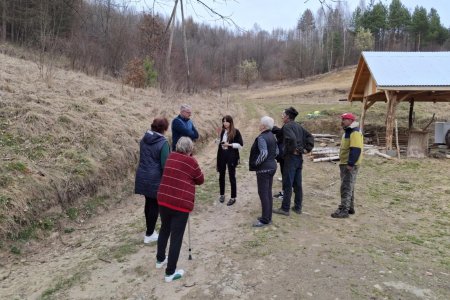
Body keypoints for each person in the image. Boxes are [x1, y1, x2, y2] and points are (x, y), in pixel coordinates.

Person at [156, 137, 204, 282]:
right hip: (180, 204)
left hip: (164, 199)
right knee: (176, 237)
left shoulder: (171, 156)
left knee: (165, 229)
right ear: (190, 148)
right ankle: (170, 273)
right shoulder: (192, 161)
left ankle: (160, 260)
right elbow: (200, 179)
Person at [134, 117, 170, 244]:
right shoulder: (163, 143)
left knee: (148, 203)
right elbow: (165, 164)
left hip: (143, 174)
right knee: (155, 204)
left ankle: (149, 231)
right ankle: (149, 234)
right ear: (164, 128)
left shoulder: (144, 139)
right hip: (155, 177)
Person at [273, 107, 314, 216]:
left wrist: (297, 149)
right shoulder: (298, 126)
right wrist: (306, 149)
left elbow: (291, 139)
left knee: (287, 184)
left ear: (287, 116)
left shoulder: (287, 127)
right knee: (297, 184)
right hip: (299, 159)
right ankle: (297, 207)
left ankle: (285, 209)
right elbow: (310, 136)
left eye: (283, 114)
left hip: (291, 158)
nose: (282, 116)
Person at [331, 113, 363, 218]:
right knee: (349, 186)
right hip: (345, 163)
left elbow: (356, 149)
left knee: (346, 187)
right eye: (342, 119)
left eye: (344, 119)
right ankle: (350, 207)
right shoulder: (349, 131)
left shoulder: (355, 132)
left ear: (350, 120)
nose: (342, 121)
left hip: (349, 164)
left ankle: (344, 210)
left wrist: (350, 163)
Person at [249, 116, 278, 227]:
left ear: (264, 126)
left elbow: (264, 153)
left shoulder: (262, 137)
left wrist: (256, 163)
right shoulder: (272, 136)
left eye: (260, 123)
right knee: (268, 192)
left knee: (263, 193)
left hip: (264, 169)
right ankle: (268, 216)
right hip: (272, 166)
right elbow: (276, 152)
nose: (259, 125)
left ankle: (265, 219)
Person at [216, 115, 243, 206]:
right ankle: (222, 194)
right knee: (221, 175)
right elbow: (218, 143)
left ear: (230, 122)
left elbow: (240, 145)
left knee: (232, 176)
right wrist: (218, 136)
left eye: (227, 121)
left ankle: (233, 197)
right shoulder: (222, 131)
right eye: (223, 121)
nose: (225, 123)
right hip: (222, 155)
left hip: (231, 156)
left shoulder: (236, 132)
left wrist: (229, 145)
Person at [271, 124, 284, 199]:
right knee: (285, 173)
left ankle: (284, 194)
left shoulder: (280, 135)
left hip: (283, 158)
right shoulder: (282, 133)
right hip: (284, 157)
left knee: (285, 173)